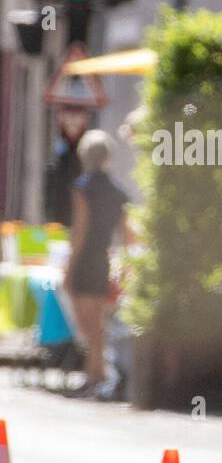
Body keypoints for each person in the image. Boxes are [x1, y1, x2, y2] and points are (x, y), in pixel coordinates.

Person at [66, 129, 129, 398]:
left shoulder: (82, 188)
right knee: (98, 322)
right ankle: (96, 374)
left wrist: (69, 267)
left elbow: (79, 231)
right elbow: (126, 232)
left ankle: (95, 375)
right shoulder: (118, 191)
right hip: (104, 256)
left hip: (86, 258)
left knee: (87, 322)